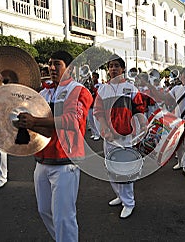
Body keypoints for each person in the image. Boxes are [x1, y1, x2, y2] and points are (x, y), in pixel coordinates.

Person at [17, 50, 93, 241]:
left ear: (70, 68)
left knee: (64, 218)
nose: (51, 68)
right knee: (44, 211)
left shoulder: (79, 90)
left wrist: (35, 120)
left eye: (57, 64)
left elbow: (72, 120)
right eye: (49, 64)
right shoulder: (43, 92)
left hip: (65, 162)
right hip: (42, 160)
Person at [94, 55, 146, 219]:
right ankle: (120, 196)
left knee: (124, 170)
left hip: (125, 136)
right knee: (111, 169)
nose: (113, 69)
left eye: (116, 66)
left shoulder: (131, 88)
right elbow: (98, 112)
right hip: (109, 136)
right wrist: (104, 129)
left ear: (122, 69)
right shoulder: (103, 89)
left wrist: (142, 127)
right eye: (110, 66)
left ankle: (129, 203)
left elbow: (139, 109)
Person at [88, 72, 101, 140]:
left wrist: (92, 87)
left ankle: (98, 134)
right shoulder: (90, 85)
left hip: (96, 105)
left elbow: (97, 92)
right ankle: (93, 133)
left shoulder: (99, 85)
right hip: (90, 104)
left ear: (97, 78)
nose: (93, 78)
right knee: (91, 120)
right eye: (93, 77)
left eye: (95, 77)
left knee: (96, 120)